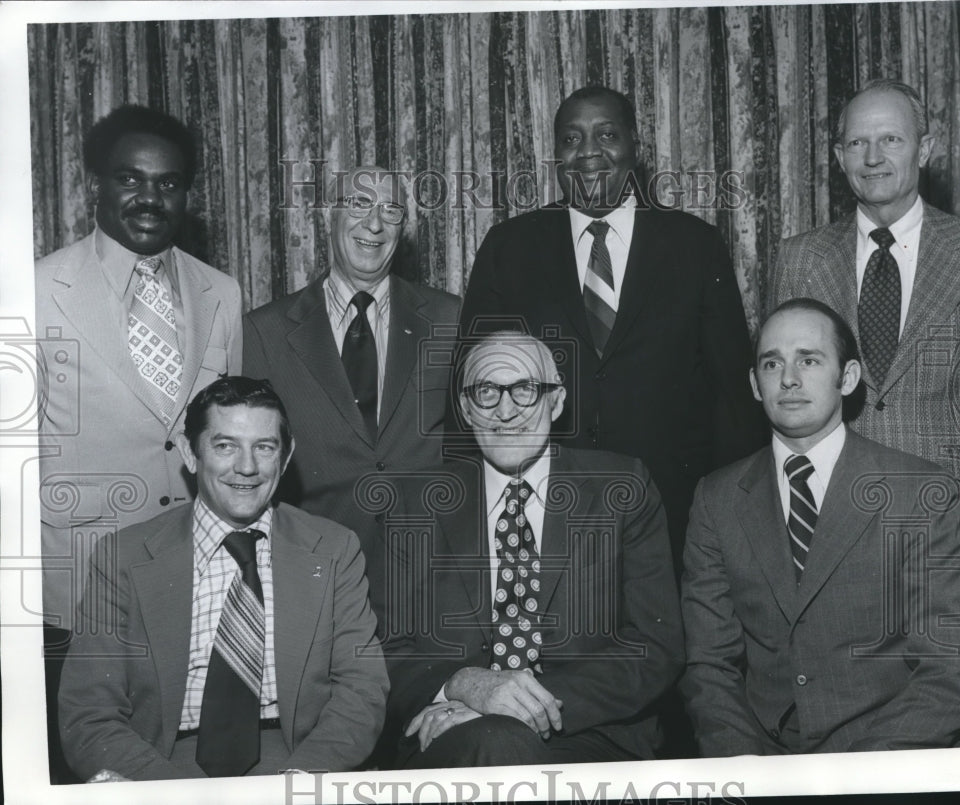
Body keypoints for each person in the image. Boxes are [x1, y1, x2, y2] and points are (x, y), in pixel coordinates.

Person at [459, 86, 766, 576]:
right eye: (571, 139)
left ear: (635, 148)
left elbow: (732, 397)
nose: (588, 153)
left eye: (606, 135)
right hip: (543, 509)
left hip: (674, 512)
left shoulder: (694, 246)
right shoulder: (509, 248)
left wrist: (738, 522)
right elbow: (471, 387)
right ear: (555, 155)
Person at [680, 298, 960, 756]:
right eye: (772, 364)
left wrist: (857, 775)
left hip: (893, 757)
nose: (789, 378)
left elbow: (955, 663)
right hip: (767, 761)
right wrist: (750, 768)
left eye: (809, 359)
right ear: (753, 383)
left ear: (847, 378)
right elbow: (709, 666)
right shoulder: (717, 498)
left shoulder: (918, 492)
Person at [34, 104, 243, 780]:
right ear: (94, 182)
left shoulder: (222, 293)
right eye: (130, 178)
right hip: (74, 598)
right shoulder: (33, 290)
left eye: (170, 182)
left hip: (194, 587)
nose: (151, 197)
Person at [58, 377, 387, 781]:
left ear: (285, 457)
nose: (246, 467)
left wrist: (295, 782)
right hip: (160, 766)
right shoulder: (122, 557)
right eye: (225, 445)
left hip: (294, 762)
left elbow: (362, 691)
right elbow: (89, 714)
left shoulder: (335, 549)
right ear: (190, 453)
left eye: (264, 447)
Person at [381, 332, 683, 768]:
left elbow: (655, 646)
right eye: (486, 392)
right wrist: (466, 684)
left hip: (591, 734)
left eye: (525, 390)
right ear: (466, 409)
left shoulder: (622, 488)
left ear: (556, 401)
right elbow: (386, 649)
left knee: (501, 742)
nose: (506, 411)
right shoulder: (415, 504)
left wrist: (513, 703)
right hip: (451, 733)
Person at [767, 79, 960, 610]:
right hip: (835, 520)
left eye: (890, 140)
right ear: (838, 156)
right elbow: (787, 396)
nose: (872, 158)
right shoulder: (800, 259)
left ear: (926, 148)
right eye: (856, 144)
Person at [244, 165, 460, 632]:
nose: (375, 224)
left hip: (431, 581)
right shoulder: (265, 331)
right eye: (359, 204)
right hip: (315, 580)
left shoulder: (450, 320)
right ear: (329, 216)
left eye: (391, 210)